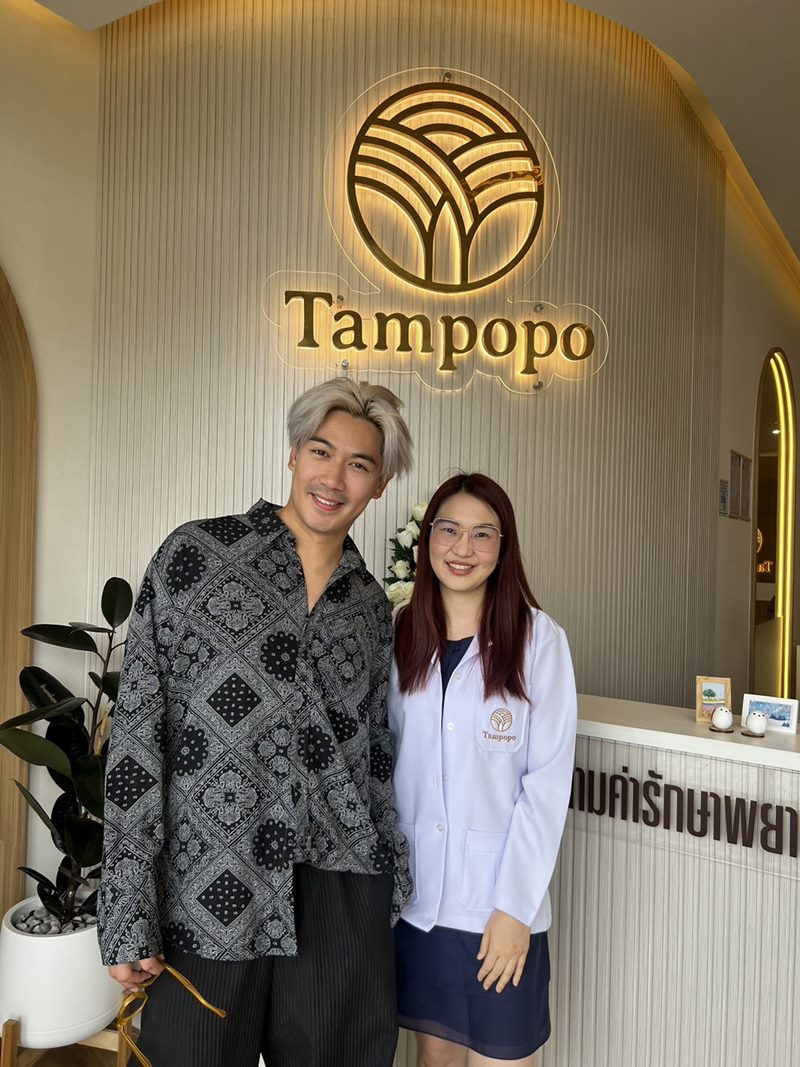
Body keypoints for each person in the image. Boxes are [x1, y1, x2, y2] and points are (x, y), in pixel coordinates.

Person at [98, 378, 414, 1067]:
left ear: (379, 485)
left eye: (359, 464)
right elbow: (138, 732)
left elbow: (375, 756)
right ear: (294, 454)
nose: (334, 477)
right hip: (210, 877)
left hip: (338, 885)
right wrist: (126, 904)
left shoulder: (370, 606)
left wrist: (390, 886)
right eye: (321, 451)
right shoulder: (194, 557)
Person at [389, 473, 577, 1067]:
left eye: (482, 534)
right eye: (448, 530)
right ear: (427, 539)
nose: (462, 549)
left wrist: (515, 909)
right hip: (416, 902)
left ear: (503, 545)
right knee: (434, 1057)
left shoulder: (538, 640)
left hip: (498, 905)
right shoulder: (400, 632)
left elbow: (545, 785)